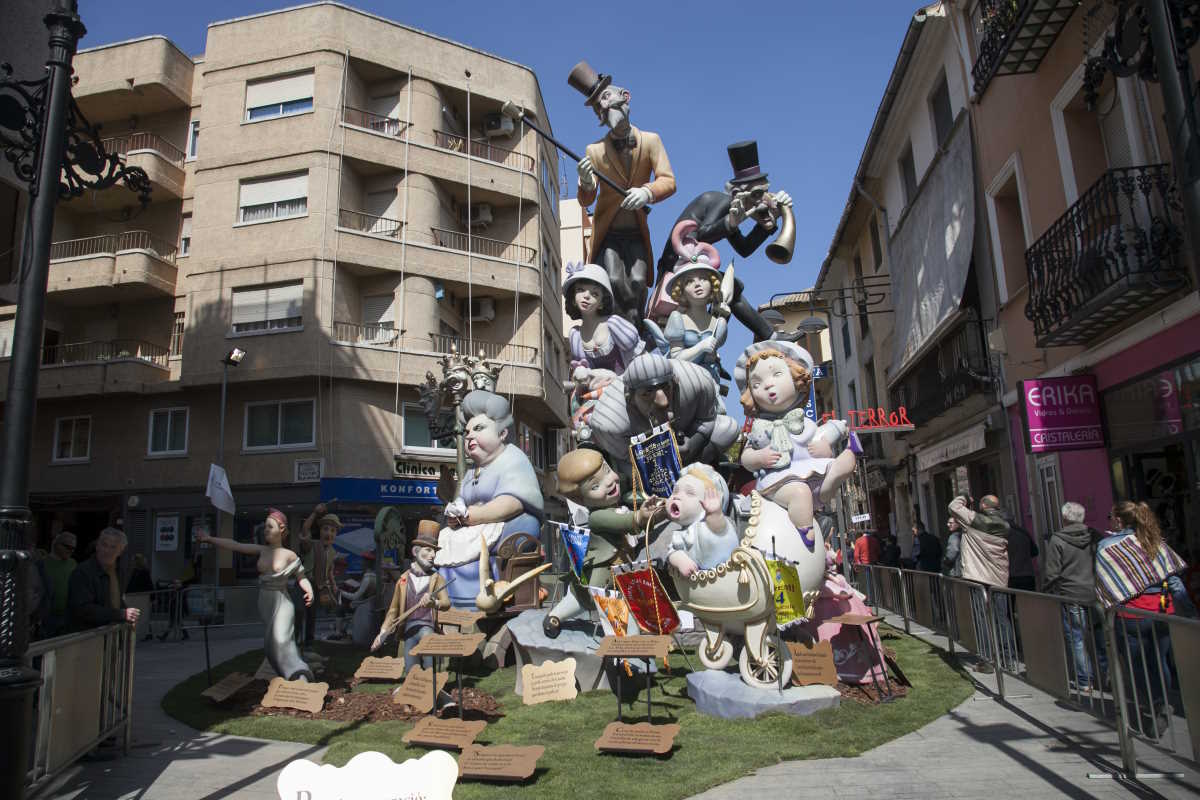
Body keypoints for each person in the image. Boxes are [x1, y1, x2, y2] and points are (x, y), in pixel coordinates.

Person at [651, 140, 795, 342]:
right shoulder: (721, 202)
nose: (763, 201)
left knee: (731, 288)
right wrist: (732, 222)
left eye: (764, 192)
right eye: (757, 195)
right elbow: (702, 234)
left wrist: (767, 226)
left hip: (690, 264)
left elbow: (744, 249)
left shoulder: (731, 211)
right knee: (731, 288)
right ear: (738, 194)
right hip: (677, 263)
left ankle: (760, 335)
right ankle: (767, 335)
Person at [569, 61, 675, 327]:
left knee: (639, 281)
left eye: (605, 97)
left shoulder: (651, 141)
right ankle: (620, 330)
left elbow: (669, 181)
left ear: (624, 96)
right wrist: (586, 183)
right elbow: (586, 200)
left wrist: (646, 192)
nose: (603, 106)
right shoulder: (594, 151)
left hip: (636, 231)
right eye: (597, 106)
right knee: (614, 281)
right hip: (610, 234)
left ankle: (637, 329)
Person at [436, 390, 545, 609]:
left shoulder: (513, 459)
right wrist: (456, 514)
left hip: (504, 525)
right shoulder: (473, 471)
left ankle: (488, 594)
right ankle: (453, 597)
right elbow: (462, 502)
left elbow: (513, 501)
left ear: (502, 433)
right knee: (445, 539)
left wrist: (472, 516)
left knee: (524, 525)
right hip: (474, 527)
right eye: (466, 432)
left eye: (478, 429)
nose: (469, 437)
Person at [1095, 501, 1196, 734]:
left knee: (1137, 663)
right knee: (1159, 660)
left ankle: (1157, 704)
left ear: (1119, 520)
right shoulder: (1153, 541)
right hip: (1162, 611)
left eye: (1111, 516)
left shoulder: (1107, 547)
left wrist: (1105, 607)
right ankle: (1162, 701)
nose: (1109, 520)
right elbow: (1173, 580)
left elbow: (1106, 583)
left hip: (1131, 613)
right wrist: (1189, 611)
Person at [544, 448, 665, 638]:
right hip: (605, 572)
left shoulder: (616, 504)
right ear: (580, 498)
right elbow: (626, 522)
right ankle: (556, 618)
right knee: (597, 597)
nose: (609, 482)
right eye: (595, 486)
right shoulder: (598, 517)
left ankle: (556, 616)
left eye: (607, 471)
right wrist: (641, 516)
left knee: (580, 599)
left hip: (620, 565)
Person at [197, 509, 315, 681]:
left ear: (281, 529)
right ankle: (284, 674)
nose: (265, 530)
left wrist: (309, 590)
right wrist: (209, 539)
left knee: (282, 639)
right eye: (264, 527)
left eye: (269, 526)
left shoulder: (290, 555)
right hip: (265, 601)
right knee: (271, 644)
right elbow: (235, 545)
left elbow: (302, 577)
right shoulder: (262, 550)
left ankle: (299, 673)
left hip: (281, 601)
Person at [372, 522, 451, 672]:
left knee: (430, 665)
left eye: (434, 551)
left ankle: (434, 690)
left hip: (427, 628)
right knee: (411, 668)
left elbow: (446, 603)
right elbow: (393, 610)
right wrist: (382, 633)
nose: (433, 555)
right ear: (415, 551)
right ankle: (413, 690)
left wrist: (433, 603)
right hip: (409, 630)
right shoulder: (403, 579)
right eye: (428, 550)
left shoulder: (437, 578)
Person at [949, 495, 1012, 672]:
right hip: (999, 577)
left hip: (978, 577)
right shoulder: (1006, 526)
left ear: (983, 505)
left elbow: (954, 506)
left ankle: (988, 660)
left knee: (982, 619)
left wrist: (964, 496)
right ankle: (1008, 657)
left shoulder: (974, 520)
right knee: (1002, 618)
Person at [1044, 501, 1101, 690]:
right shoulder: (1095, 536)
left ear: (1065, 518)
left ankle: (1085, 680)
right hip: (1096, 592)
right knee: (1101, 636)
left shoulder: (1057, 540)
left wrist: (1049, 591)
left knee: (1077, 638)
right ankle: (1106, 676)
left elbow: (1052, 572)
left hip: (1071, 594)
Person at [67, 528, 141, 631]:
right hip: (87, 636)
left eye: (113, 547)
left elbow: (115, 600)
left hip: (110, 635)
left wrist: (128, 616)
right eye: (104, 545)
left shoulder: (119, 571)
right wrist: (122, 614)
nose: (107, 551)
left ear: (120, 551)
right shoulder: (82, 572)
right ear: (97, 546)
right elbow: (83, 609)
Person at [43, 531, 77, 637]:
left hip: (68, 615)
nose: (70, 550)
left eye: (73, 548)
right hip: (47, 616)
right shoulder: (42, 563)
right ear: (56, 544)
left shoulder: (73, 563)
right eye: (67, 546)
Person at [1005, 512, 1039, 592]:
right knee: (1029, 602)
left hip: (1010, 576)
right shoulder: (1024, 532)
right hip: (1027, 575)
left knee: (1009, 604)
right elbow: (1035, 552)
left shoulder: (1001, 534)